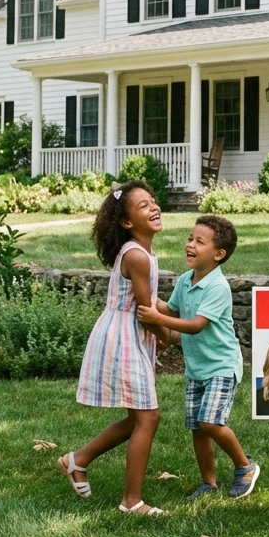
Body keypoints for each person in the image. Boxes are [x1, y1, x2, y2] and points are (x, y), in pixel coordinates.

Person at [58, 181, 168, 517]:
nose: (153, 207)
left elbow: (151, 301)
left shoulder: (143, 253)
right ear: (126, 222)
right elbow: (146, 313)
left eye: (153, 201)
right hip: (123, 337)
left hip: (125, 332)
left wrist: (180, 312)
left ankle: (77, 460)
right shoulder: (137, 255)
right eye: (143, 206)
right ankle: (131, 501)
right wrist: (171, 336)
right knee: (147, 418)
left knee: (139, 415)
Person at [138, 215, 260, 499]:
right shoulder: (185, 281)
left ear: (219, 254)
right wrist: (150, 300)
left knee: (210, 422)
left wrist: (158, 317)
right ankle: (209, 483)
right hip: (197, 368)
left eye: (199, 242)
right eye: (190, 239)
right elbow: (172, 311)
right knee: (197, 429)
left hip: (221, 365)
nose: (190, 245)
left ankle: (245, 466)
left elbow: (195, 325)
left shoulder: (217, 287)